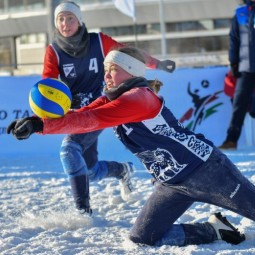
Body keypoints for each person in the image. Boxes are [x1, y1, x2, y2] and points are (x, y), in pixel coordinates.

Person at [8, 46, 255, 247]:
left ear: (131, 71)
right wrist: (36, 121)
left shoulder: (139, 97)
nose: (106, 75)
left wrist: (41, 126)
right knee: (143, 238)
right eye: (105, 69)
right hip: (173, 183)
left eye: (113, 70)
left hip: (206, 171)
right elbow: (82, 113)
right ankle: (215, 230)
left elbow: (89, 121)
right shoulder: (111, 97)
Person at [41, 1, 176, 214]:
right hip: (76, 113)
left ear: (79, 20)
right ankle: (122, 170)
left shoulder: (98, 40)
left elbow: (128, 55)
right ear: (55, 23)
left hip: (100, 109)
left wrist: (157, 64)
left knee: (69, 150)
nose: (65, 23)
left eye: (70, 18)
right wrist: (53, 104)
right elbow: (48, 84)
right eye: (60, 19)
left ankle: (83, 212)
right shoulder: (53, 51)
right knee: (91, 171)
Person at [219, 0, 255, 150]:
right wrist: (233, 62)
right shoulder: (241, 12)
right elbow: (234, 38)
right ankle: (231, 140)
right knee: (238, 105)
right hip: (246, 67)